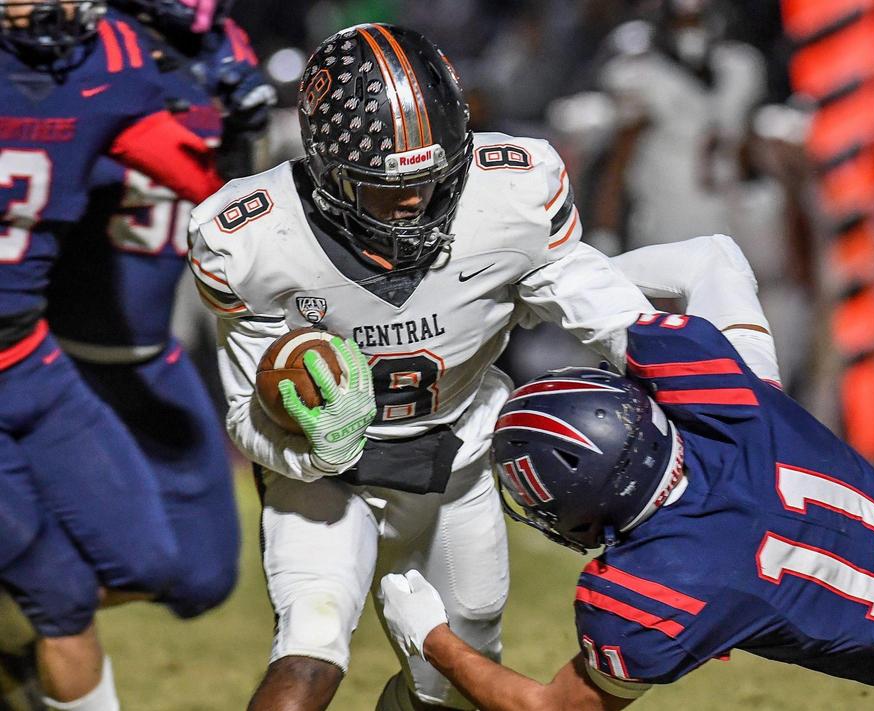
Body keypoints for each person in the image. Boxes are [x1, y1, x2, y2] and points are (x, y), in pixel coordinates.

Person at [378, 239, 874, 711]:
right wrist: (528, 293)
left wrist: (432, 636)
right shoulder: (733, 401)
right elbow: (711, 259)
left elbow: (551, 708)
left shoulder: (653, 582)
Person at [187, 22, 656, 711]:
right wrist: (316, 448)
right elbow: (244, 415)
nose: (413, 202)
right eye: (386, 188)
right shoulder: (252, 238)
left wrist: (695, 387)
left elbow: (611, 314)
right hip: (330, 481)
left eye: (433, 180)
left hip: (455, 463)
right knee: (310, 655)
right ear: (327, 173)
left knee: (450, 690)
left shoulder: (512, 194)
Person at [0, 0, 224, 707]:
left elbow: (202, 180)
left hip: (30, 359)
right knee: (62, 595)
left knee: (148, 561)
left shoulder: (109, 58)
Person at [42, 0, 274, 624]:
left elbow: (238, 204)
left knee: (202, 576)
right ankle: (36, 628)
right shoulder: (78, 45)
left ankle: (28, 623)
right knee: (44, 559)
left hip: (147, 354)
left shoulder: (223, 47)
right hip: (51, 354)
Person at [592, 0, 765, 253]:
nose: (690, 32)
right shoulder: (643, 75)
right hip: (665, 221)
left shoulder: (739, 68)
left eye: (696, 20)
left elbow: (744, 150)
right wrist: (605, 229)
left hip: (726, 217)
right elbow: (618, 161)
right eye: (682, 21)